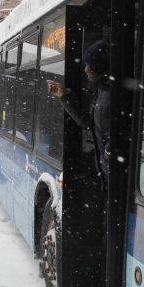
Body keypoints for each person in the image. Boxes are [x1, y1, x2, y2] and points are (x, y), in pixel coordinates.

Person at [47, 39, 111, 182]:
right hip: (105, 176)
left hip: (109, 178)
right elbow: (90, 122)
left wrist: (107, 155)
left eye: (89, 65)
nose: (86, 69)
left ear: (99, 67)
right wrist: (64, 95)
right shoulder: (101, 92)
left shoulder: (107, 97)